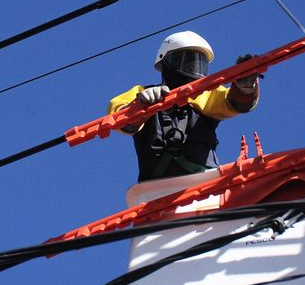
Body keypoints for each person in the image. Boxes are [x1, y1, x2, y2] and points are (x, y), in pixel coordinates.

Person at [108, 31, 261, 182]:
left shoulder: (206, 94)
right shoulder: (142, 93)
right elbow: (118, 117)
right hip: (154, 188)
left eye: (198, 63)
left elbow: (234, 102)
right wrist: (141, 107)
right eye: (186, 61)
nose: (193, 69)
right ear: (165, 63)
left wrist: (245, 87)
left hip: (204, 181)